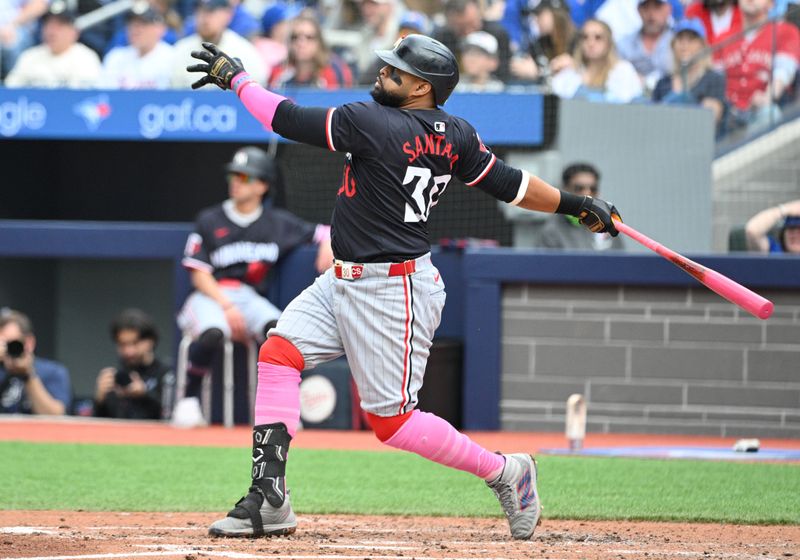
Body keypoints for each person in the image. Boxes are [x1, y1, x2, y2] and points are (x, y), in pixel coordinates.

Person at [185, 33, 622, 540]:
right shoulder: (454, 132)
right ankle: (270, 499)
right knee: (279, 352)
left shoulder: (370, 121)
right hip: (343, 279)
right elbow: (513, 184)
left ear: (421, 87)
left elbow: (282, 118)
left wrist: (236, 79)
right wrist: (578, 204)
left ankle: (507, 472)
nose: (381, 73)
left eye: (395, 71)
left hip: (393, 289)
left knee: (392, 424)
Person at [176, 146, 333, 406]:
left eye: (245, 177)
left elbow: (324, 231)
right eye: (233, 176)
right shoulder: (210, 219)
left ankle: (282, 405)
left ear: (262, 186)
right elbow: (199, 274)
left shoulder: (279, 223)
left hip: (249, 298)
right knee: (214, 332)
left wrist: (328, 242)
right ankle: (189, 400)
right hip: (211, 296)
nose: (236, 182)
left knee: (282, 333)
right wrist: (227, 306)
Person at [715, 0, 800, 132]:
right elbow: (713, 79)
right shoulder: (723, 38)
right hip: (727, 116)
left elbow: (784, 71)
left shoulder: (785, 31)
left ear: (771, 4)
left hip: (762, 113)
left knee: (769, 113)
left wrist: (768, 96)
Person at [94, 309, 174, 420]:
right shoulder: (117, 378)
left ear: (151, 341)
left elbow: (174, 415)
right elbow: (101, 425)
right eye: (123, 344)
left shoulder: (168, 373)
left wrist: (145, 395)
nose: (129, 351)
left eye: (135, 343)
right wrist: (100, 399)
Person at [4, 0, 101, 88]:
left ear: (74, 31)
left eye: (59, 26)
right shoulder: (29, 56)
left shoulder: (86, 58)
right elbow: (10, 91)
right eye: (49, 25)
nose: (52, 32)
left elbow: (86, 98)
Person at [170, 0, 265, 89]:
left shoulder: (245, 52)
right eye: (200, 10)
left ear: (228, 15)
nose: (204, 18)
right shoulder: (180, 49)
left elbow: (256, 88)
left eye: (211, 11)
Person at [652, 18, 726, 129]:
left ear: (702, 45)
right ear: (673, 45)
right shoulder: (662, 83)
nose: (684, 45)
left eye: (691, 40)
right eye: (680, 39)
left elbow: (713, 118)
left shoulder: (714, 79)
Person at [536, 163, 625, 250]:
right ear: (565, 190)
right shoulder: (551, 231)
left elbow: (620, 262)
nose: (587, 194)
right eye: (579, 188)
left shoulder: (607, 226)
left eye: (593, 189)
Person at [551, 18, 643, 102]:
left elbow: (628, 104)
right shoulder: (571, 73)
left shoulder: (622, 70)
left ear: (608, 43)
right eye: (585, 37)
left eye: (598, 37)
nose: (591, 43)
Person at [0, 309, 71, 415]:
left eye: (12, 344)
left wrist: (28, 375)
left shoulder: (52, 371)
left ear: (29, 343)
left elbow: (56, 416)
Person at [268, 14, 354, 89]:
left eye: (309, 37)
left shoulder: (334, 70)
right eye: (295, 37)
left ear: (319, 42)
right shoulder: (279, 73)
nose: (301, 43)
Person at [100, 4, 175, 89]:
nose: (135, 29)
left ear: (160, 28)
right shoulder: (115, 57)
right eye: (132, 23)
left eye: (143, 24)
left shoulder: (172, 59)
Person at [434, 0, 512, 81]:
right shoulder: (442, 38)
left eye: (472, 24)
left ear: (479, 15)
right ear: (449, 23)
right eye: (461, 27)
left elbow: (505, 73)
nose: (468, 31)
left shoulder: (497, 34)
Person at [508, 0, 577, 85]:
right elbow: (528, 67)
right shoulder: (539, 43)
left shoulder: (579, 40)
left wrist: (538, 74)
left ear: (554, 14)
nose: (536, 19)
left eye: (539, 14)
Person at [616, 0, 674, 93]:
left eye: (657, 7)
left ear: (668, 9)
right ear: (639, 10)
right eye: (646, 7)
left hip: (671, 100)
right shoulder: (624, 44)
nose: (651, 14)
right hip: (630, 99)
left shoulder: (680, 42)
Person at [0, 0, 48, 81]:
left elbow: (39, 4)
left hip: (17, 28)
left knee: (12, 43)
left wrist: (12, 25)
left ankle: (11, 86)